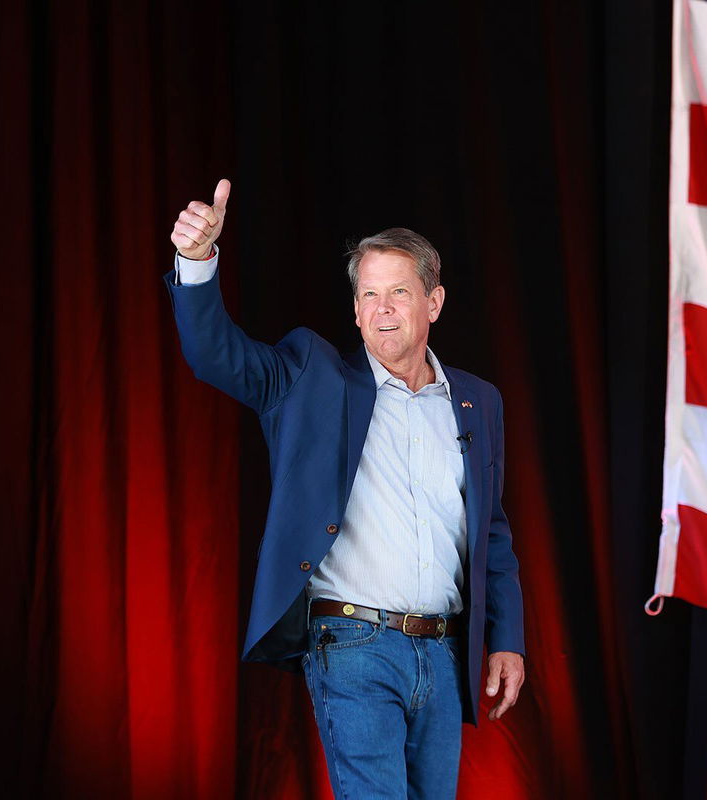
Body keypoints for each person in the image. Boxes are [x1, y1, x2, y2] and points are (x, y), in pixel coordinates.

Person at [166, 179, 525, 800]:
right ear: (355, 309)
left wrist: (508, 641)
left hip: (442, 654)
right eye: (369, 295)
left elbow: (491, 531)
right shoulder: (312, 377)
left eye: (399, 293)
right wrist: (196, 263)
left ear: (433, 302)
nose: (382, 309)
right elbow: (216, 356)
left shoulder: (477, 401)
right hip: (352, 647)